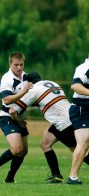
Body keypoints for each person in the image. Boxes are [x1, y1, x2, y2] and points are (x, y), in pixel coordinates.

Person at [8, 71, 89, 184]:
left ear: (29, 82)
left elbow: (12, 111)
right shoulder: (52, 83)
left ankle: (66, 176)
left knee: (80, 152)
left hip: (63, 123)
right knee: (45, 144)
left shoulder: (33, 90)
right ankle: (56, 175)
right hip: (70, 116)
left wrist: (19, 120)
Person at [0, 52, 33, 183]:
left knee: (23, 152)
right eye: (16, 65)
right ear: (10, 64)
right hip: (7, 117)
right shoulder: (7, 79)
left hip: (19, 118)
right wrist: (24, 92)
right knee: (17, 149)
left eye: (21, 64)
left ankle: (9, 179)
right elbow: (6, 100)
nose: (19, 67)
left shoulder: (25, 76)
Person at [67, 54, 89, 185]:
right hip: (81, 109)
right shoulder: (84, 67)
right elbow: (75, 86)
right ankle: (72, 177)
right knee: (83, 143)